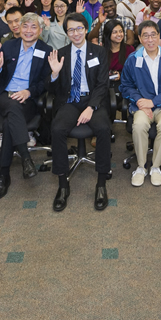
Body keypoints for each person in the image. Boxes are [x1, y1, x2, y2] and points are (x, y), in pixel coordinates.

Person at [46, 14, 112, 211]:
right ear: (67, 33)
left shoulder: (99, 52)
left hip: (93, 100)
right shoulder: (60, 53)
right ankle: (63, 185)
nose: (75, 33)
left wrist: (91, 108)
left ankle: (101, 183)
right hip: (70, 100)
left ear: (86, 29)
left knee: (103, 129)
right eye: (71, 30)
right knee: (57, 129)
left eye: (79, 29)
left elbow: (102, 84)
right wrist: (55, 73)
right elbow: (51, 89)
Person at [0, 13, 53, 201]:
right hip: (5, 96)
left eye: (33, 27)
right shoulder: (8, 46)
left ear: (40, 30)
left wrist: (29, 92)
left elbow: (45, 82)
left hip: (27, 100)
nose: (28, 30)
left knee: (10, 121)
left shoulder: (46, 49)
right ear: (19, 28)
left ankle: (3, 175)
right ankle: (26, 157)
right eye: (25, 26)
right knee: (12, 108)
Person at [119, 21, 161, 187]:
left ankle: (155, 166)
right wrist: (142, 103)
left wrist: (153, 102)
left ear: (159, 37)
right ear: (140, 39)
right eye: (145, 36)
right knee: (139, 125)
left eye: (153, 35)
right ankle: (141, 167)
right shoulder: (133, 59)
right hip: (141, 105)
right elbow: (125, 85)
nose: (150, 39)